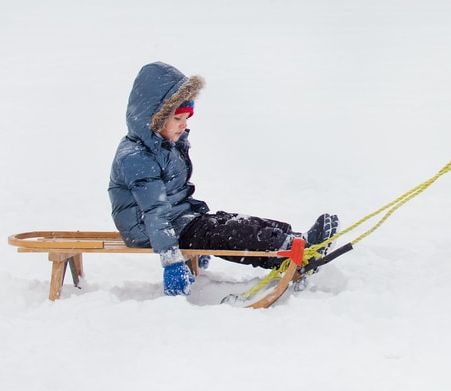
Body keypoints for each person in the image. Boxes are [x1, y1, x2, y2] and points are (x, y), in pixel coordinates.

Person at [108, 61, 339, 296]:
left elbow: (180, 194)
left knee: (230, 221)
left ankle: (295, 239)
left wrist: (196, 217)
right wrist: (171, 260)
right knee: (224, 234)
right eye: (178, 119)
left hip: (177, 220)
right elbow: (154, 212)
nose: (184, 125)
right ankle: (287, 250)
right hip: (149, 230)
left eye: (187, 118)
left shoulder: (165, 146)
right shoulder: (137, 157)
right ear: (155, 118)